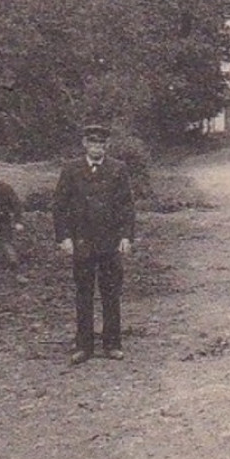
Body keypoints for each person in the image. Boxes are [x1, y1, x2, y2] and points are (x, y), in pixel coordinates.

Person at [53, 124, 136, 365]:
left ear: (106, 146)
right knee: (84, 293)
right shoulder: (71, 169)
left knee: (111, 292)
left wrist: (126, 237)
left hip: (110, 242)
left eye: (101, 144)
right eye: (92, 143)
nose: (97, 148)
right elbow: (59, 205)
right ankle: (84, 346)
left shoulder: (118, 169)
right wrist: (64, 238)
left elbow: (126, 206)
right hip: (82, 241)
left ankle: (112, 343)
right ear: (84, 144)